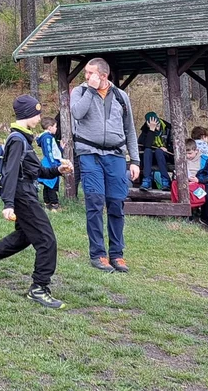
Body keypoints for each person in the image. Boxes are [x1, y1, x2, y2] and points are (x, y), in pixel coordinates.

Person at [0, 95, 67, 309]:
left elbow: (37, 171)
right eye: (37, 113)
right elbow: (11, 173)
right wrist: (8, 204)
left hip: (26, 192)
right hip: (22, 196)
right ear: (28, 114)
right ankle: (39, 287)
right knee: (47, 240)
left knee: (25, 236)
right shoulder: (16, 139)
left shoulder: (25, 139)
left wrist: (58, 170)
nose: (40, 117)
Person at [70, 57, 138, 273]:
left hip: (116, 156)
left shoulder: (121, 96)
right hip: (89, 154)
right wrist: (90, 90)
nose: (86, 76)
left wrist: (135, 160)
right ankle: (98, 254)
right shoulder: (80, 92)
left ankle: (117, 254)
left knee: (116, 204)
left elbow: (130, 129)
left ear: (103, 75)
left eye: (90, 73)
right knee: (95, 202)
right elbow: (77, 113)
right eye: (86, 73)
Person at [136, 111, 174, 191]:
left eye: (157, 125)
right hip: (150, 157)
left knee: (159, 151)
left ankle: (165, 181)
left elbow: (175, 145)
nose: (157, 127)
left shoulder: (168, 128)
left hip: (166, 155)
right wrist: (151, 131)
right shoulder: (145, 130)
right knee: (147, 151)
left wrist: (167, 149)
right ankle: (147, 180)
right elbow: (146, 145)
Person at [37, 117, 67, 211]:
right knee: (52, 185)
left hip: (49, 162)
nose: (56, 128)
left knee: (47, 184)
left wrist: (61, 148)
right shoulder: (47, 138)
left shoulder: (46, 137)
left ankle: (47, 203)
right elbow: (49, 152)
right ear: (50, 127)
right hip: (50, 163)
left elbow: (54, 151)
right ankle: (54, 204)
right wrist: (54, 166)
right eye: (55, 126)